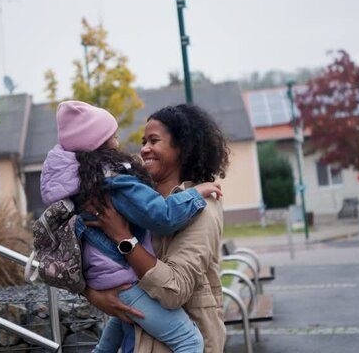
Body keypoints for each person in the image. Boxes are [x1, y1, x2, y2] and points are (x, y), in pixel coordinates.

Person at [40, 100, 222, 352]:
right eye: (143, 142)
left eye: (154, 141)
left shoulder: (201, 207)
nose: (144, 149)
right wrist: (94, 295)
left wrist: (123, 238)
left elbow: (174, 291)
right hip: (138, 331)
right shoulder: (127, 193)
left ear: (183, 148)